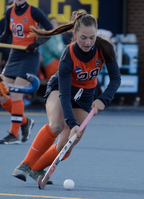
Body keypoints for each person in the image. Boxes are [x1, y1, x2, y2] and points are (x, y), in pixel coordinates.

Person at [11, 11, 121, 184]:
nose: (88, 42)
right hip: (61, 89)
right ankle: (26, 164)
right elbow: (64, 94)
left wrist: (103, 99)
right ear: (75, 34)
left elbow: (116, 78)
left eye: (92, 37)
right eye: (83, 37)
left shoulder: (105, 48)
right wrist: (72, 123)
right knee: (57, 125)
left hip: (85, 96)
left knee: (67, 144)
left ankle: (37, 168)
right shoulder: (68, 56)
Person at [0, 0, 53, 144]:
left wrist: (36, 43)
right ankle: (25, 122)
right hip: (14, 56)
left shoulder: (34, 11)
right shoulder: (9, 11)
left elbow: (49, 29)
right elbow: (6, 35)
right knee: (2, 94)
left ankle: (14, 134)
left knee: (17, 94)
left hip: (29, 56)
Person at [41, 17, 65, 81]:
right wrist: (65, 57)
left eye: (55, 23)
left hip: (60, 61)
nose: (54, 24)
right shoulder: (48, 35)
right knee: (54, 85)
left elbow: (63, 48)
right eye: (52, 23)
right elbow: (54, 51)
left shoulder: (59, 35)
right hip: (51, 62)